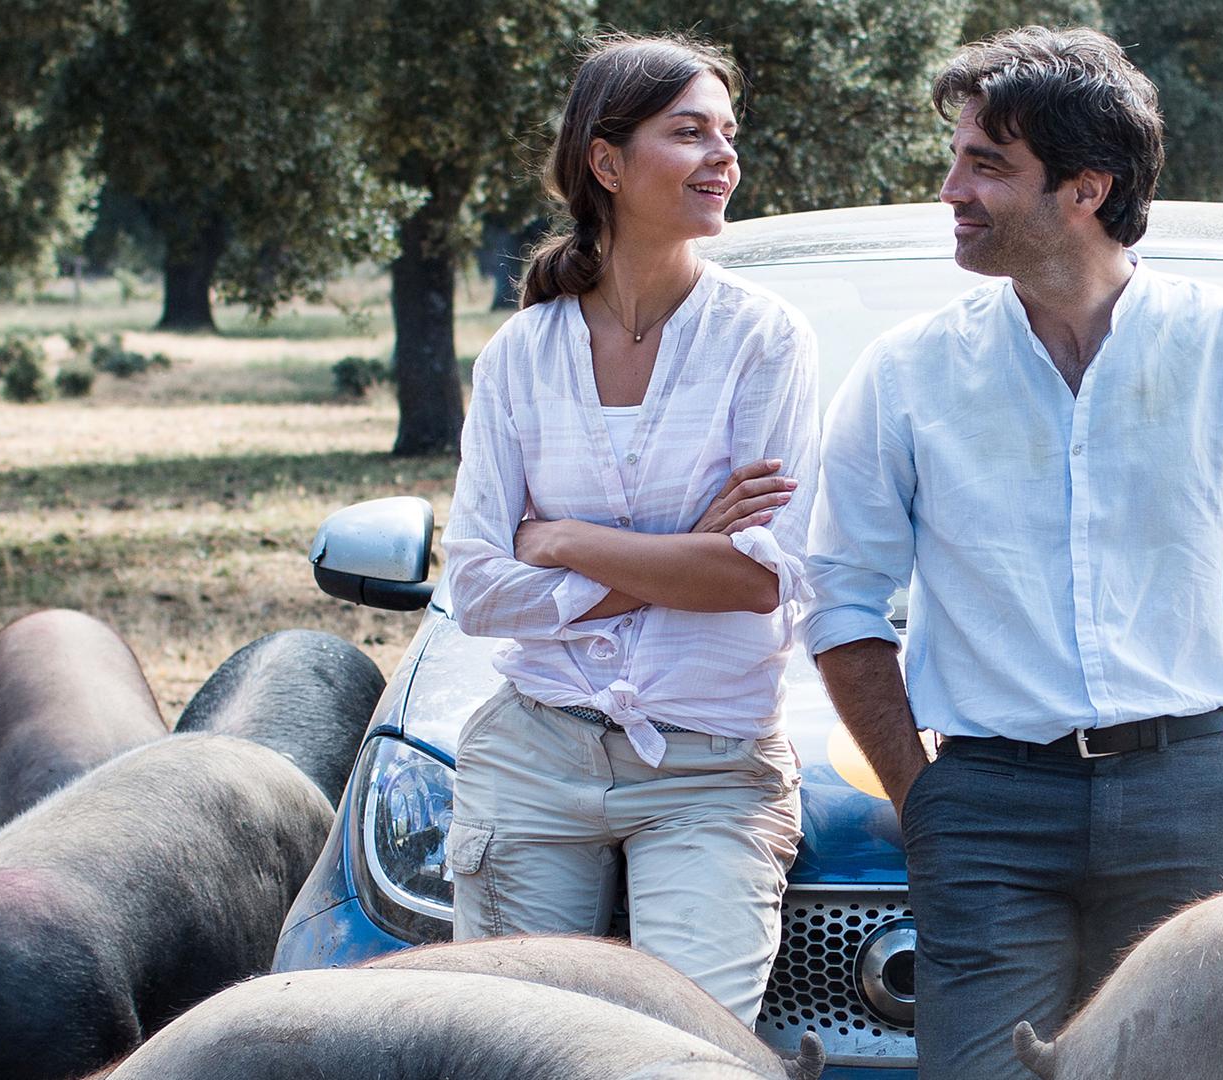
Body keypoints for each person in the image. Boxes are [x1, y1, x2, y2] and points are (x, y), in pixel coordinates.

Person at [802, 25, 1223, 1079]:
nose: (953, 190)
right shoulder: (908, 372)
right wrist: (927, 802)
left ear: (1086, 188)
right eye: (956, 158)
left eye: (986, 166)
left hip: (1190, 799)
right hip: (986, 808)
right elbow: (839, 603)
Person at [439, 33, 818, 1024]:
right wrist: (678, 551)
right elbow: (477, 590)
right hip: (532, 753)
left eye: (728, 133)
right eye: (689, 132)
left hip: (712, 767)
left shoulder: (763, 339)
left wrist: (562, 542)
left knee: (686, 1048)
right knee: (511, 1043)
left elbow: (756, 578)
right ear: (606, 162)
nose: (723, 156)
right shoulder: (521, 355)